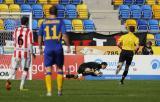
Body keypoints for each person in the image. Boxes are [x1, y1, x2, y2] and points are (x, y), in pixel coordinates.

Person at [38, 6, 71, 96]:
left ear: (49, 12)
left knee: (48, 69)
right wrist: (68, 46)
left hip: (48, 48)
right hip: (58, 48)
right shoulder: (60, 21)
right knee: (59, 68)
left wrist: (40, 47)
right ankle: (59, 91)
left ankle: (49, 92)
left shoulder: (43, 22)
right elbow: (64, 34)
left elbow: (40, 36)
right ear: (57, 12)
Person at [6, 17, 35, 91]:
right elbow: (30, 44)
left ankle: (9, 78)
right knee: (25, 69)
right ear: (27, 23)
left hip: (16, 52)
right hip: (25, 53)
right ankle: (21, 86)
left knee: (15, 68)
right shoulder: (29, 31)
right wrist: (32, 53)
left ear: (21, 22)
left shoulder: (16, 30)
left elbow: (14, 41)